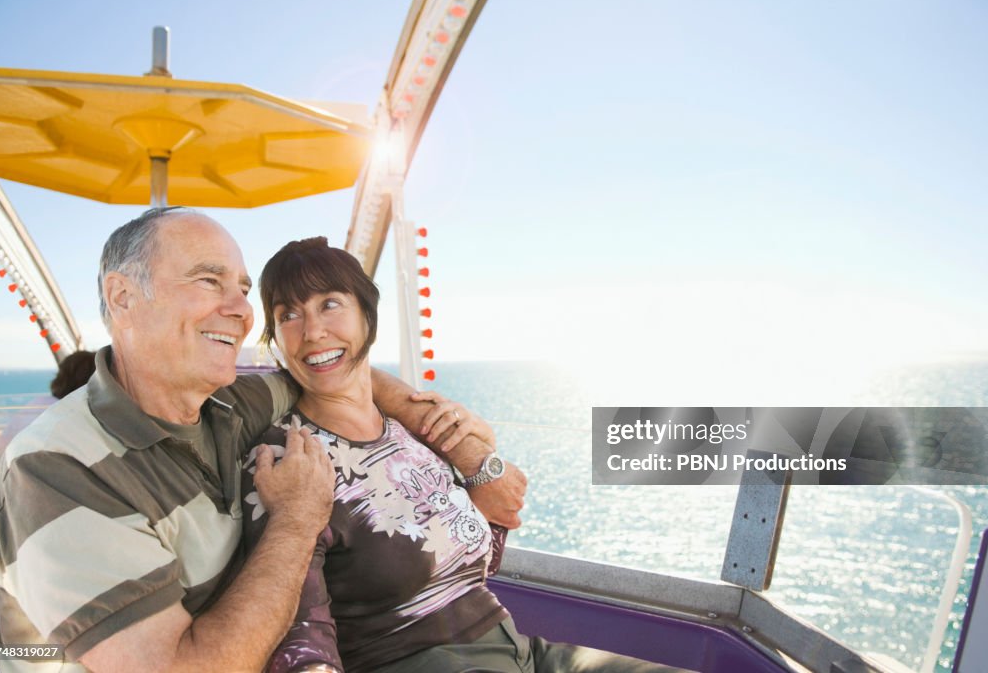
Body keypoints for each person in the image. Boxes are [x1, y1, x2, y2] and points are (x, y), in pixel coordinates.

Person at [0, 207, 523, 673]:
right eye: (208, 281)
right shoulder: (55, 467)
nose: (242, 311)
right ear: (122, 297)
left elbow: (337, 368)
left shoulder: (227, 406)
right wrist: (296, 518)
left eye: (242, 290)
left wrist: (462, 446)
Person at [244, 237, 685, 673]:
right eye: (289, 314)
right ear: (276, 338)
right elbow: (299, 639)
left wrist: (483, 468)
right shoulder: (289, 461)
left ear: (367, 316)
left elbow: (478, 560)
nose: (313, 331)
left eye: (330, 304)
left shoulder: (410, 433)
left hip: (521, 650)